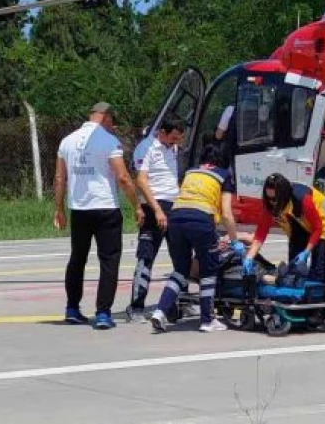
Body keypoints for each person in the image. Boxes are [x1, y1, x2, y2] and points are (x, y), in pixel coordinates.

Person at [54, 102, 140, 330]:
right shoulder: (109, 142)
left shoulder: (67, 141)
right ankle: (103, 313)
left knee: (77, 258)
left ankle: (72, 308)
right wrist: (136, 206)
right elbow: (122, 177)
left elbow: (60, 178)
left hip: (79, 209)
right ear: (106, 118)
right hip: (105, 208)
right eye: (112, 120)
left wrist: (59, 208)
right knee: (109, 260)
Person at [148, 143, 244, 333]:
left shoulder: (191, 172)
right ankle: (207, 320)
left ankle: (160, 311)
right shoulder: (224, 175)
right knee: (208, 270)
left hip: (174, 218)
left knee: (180, 269)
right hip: (200, 220)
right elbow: (226, 213)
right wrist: (235, 241)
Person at [124, 116, 186, 322]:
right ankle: (136, 306)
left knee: (181, 256)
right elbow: (140, 180)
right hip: (154, 206)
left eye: (178, 139)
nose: (175, 143)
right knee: (146, 256)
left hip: (174, 204)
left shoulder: (173, 148)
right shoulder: (147, 147)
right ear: (162, 133)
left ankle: (179, 302)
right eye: (173, 138)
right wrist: (157, 210)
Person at [242, 173, 325, 285]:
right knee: (294, 269)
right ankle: (298, 291)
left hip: (324, 223)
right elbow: (260, 234)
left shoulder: (302, 199)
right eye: (268, 198)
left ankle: (319, 290)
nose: (271, 201)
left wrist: (306, 252)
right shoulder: (269, 205)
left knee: (318, 267)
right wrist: (249, 257)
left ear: (284, 195)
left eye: (274, 198)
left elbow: (318, 228)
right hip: (300, 224)